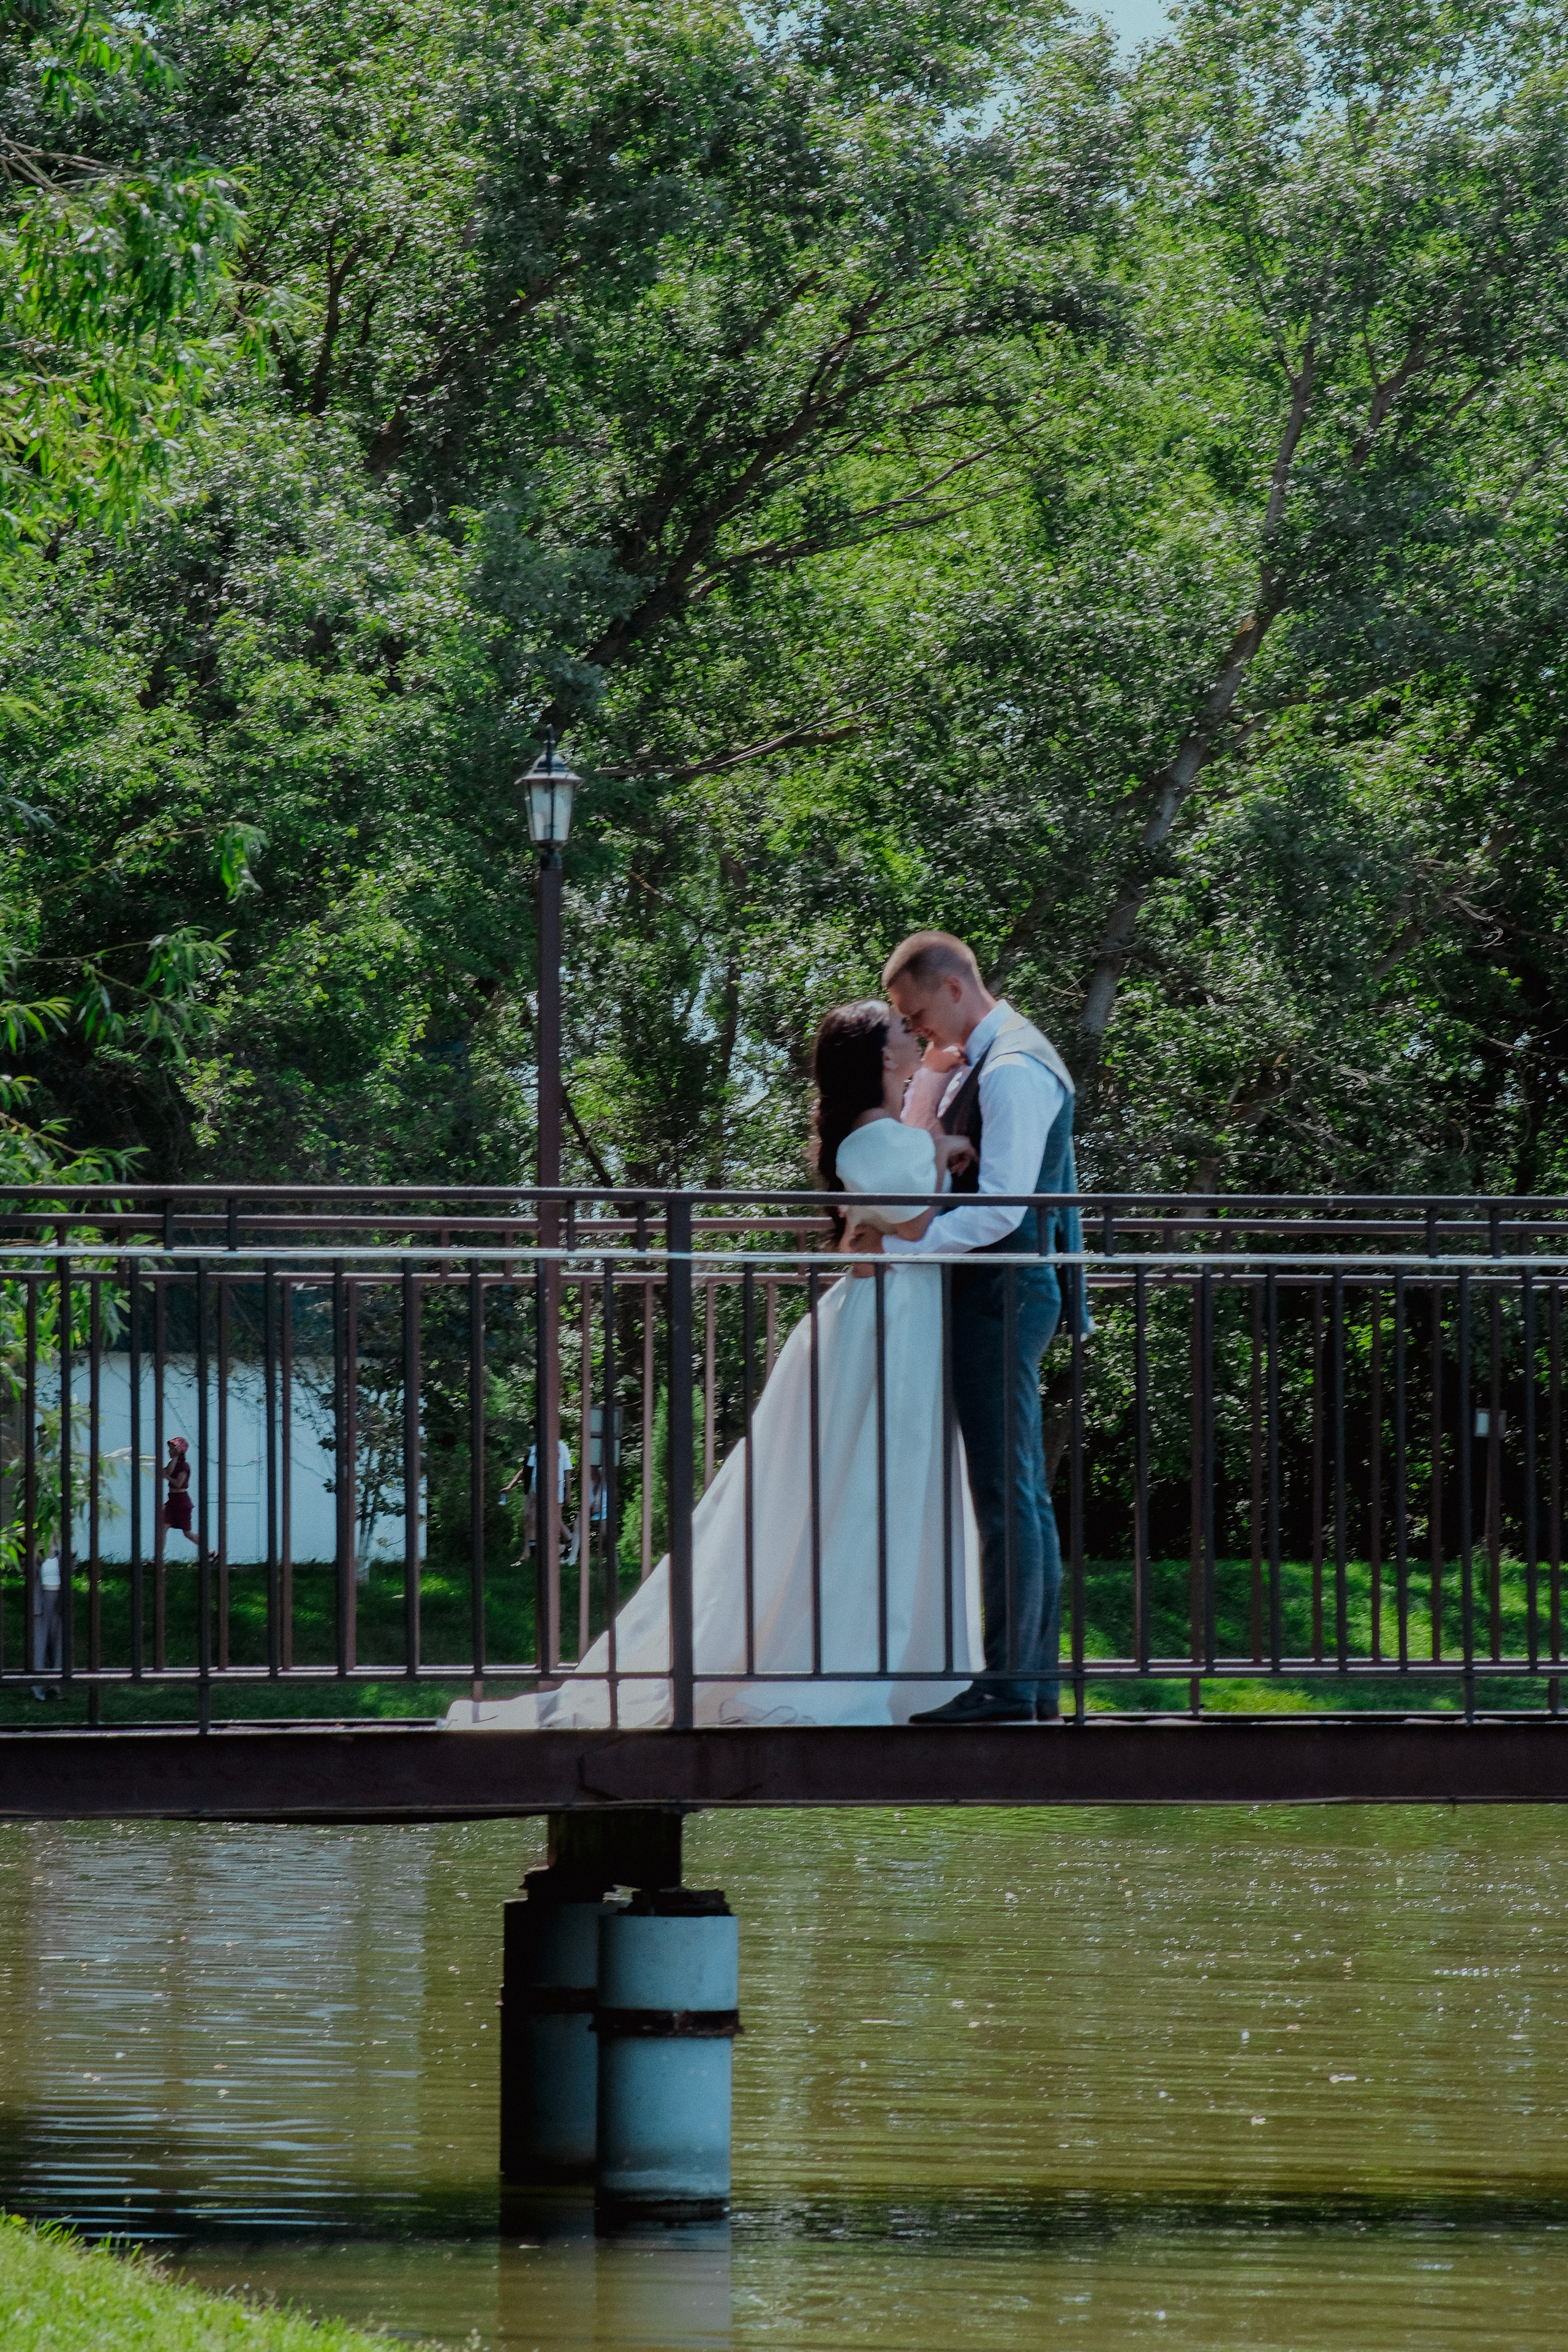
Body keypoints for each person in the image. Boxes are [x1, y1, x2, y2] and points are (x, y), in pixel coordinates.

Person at [448, 1002, 984, 1728]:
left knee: (887, 1487)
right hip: (883, 1325)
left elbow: (896, 1217)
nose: (913, 1035)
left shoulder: (889, 1133)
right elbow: (916, 1222)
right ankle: (834, 1666)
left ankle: (894, 1667)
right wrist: (940, 1146)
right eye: (900, 1031)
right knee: (864, 1486)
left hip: (904, 1315)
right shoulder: (871, 1139)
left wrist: (931, 1123)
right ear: (881, 1057)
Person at [874, 929, 1084, 1724]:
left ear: (954, 988)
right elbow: (919, 1142)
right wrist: (933, 1069)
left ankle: (1011, 1689)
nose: (914, 1028)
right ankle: (1026, 1686)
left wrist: (904, 1245)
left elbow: (1002, 1209)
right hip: (995, 1292)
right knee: (1012, 1487)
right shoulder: (979, 1061)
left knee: (1008, 1491)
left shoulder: (1013, 1070)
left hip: (1005, 1294)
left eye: (916, 1013)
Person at [30, 1547, 61, 1701]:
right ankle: (38, 1688)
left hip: (59, 1601)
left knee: (59, 1646)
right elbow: (27, 1572)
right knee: (39, 1645)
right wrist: (36, 1554)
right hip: (40, 1599)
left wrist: (71, 1553)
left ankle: (56, 1685)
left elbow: (71, 1570)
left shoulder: (63, 1546)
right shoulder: (35, 1544)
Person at [162, 1437, 194, 1544]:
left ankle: (209, 1551)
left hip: (182, 1502)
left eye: (172, 1449)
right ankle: (158, 1554)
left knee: (188, 1534)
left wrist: (167, 1476)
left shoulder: (183, 1466)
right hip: (172, 1501)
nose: (169, 1452)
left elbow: (178, 1484)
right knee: (162, 1529)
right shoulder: (173, 1464)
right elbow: (167, 1472)